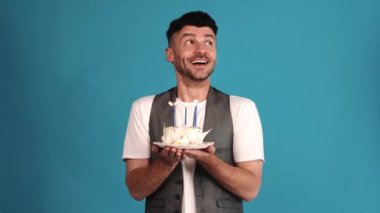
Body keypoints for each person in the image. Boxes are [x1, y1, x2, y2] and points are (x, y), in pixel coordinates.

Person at [122, 11, 264, 213]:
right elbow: (136, 189)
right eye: (189, 42)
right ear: (170, 54)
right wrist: (165, 162)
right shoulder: (144, 108)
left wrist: (207, 159)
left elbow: (250, 189)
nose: (201, 50)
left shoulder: (241, 108)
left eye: (209, 43)